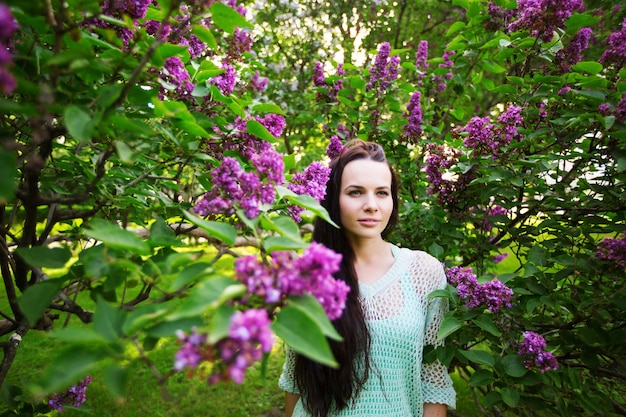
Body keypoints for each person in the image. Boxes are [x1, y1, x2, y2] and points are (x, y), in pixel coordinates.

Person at [278, 140, 456, 417]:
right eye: (356, 192)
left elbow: (433, 381)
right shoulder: (309, 274)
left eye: (382, 193)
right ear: (333, 199)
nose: (371, 205)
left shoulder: (424, 272)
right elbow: (295, 379)